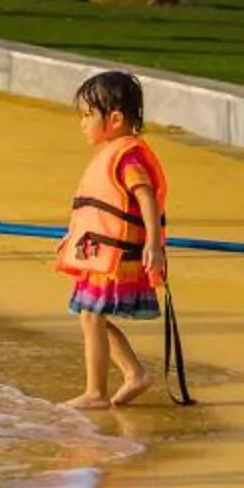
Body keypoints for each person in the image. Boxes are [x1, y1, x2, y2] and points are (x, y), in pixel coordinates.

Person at [57, 69, 171, 408]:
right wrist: (69, 239)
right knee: (90, 314)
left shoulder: (128, 158)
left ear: (116, 118)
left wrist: (153, 245)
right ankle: (134, 374)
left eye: (88, 116)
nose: (82, 123)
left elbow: (145, 196)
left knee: (91, 315)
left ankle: (96, 392)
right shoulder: (114, 153)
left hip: (115, 258)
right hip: (99, 252)